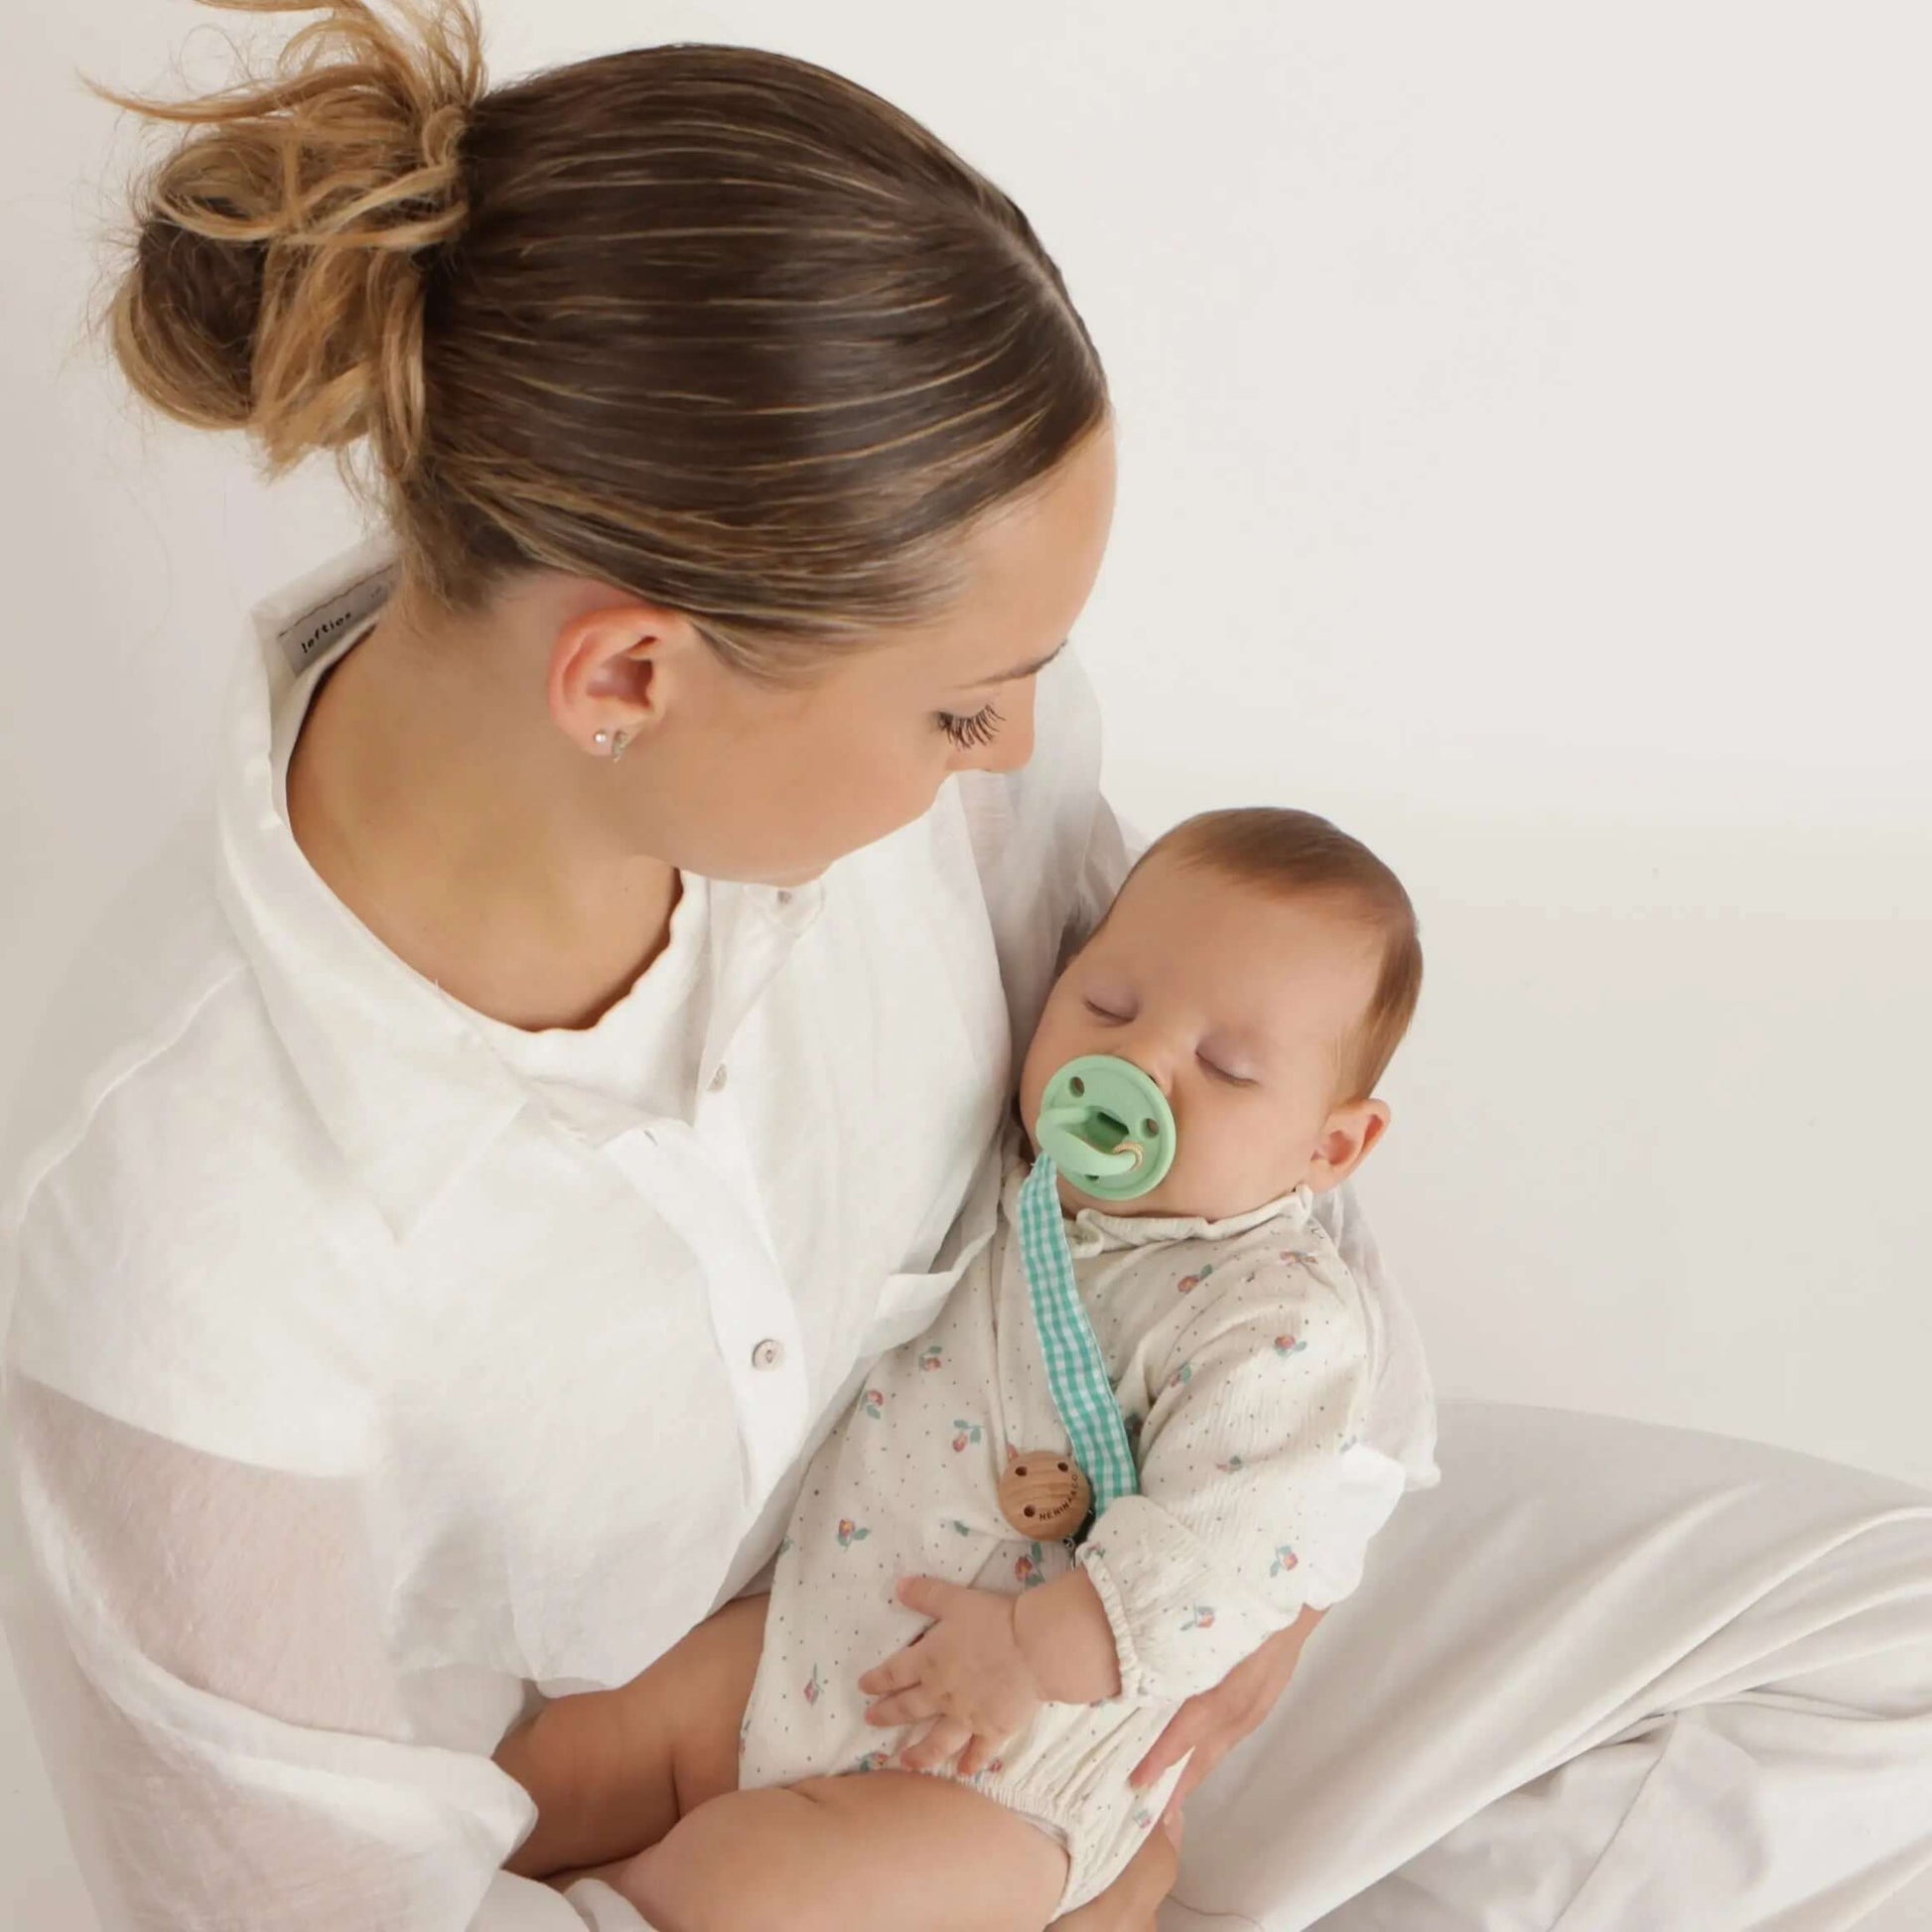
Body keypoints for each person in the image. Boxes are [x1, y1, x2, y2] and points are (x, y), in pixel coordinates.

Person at [1, 4, 1926, 1929]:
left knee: (1898, 1653)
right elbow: (299, 1902)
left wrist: (1279, 1552)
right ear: (631, 673)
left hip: (1090, 1573)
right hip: (677, 1828)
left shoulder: (903, 790)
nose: (1011, 745)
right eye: (957, 705)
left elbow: (1220, 1110)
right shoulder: (185, 1246)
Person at [493, 809, 1435, 1928]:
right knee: (554, 1764)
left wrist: (1035, 1651)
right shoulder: (1011, 1176)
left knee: (738, 1890)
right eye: (1107, 1006)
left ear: (1330, 1146)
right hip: (816, 1635)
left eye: (1226, 1068)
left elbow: (1231, 1545)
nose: (1134, 1063)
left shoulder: (1277, 1317)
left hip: (1000, 1767)